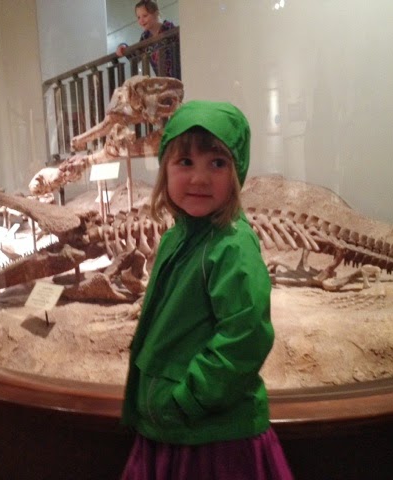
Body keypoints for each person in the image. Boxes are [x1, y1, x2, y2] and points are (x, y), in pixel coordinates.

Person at [120, 100, 293, 479]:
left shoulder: (232, 246)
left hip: (213, 439)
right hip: (172, 428)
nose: (199, 178)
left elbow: (245, 334)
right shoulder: (175, 237)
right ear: (165, 169)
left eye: (217, 163)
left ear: (236, 173)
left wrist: (189, 399)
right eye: (185, 162)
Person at [116, 1, 181, 79]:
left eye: (145, 16)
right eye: (138, 17)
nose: (141, 20)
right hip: (163, 80)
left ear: (156, 14)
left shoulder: (169, 28)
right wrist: (123, 47)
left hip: (182, 75)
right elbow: (135, 57)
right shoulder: (145, 36)